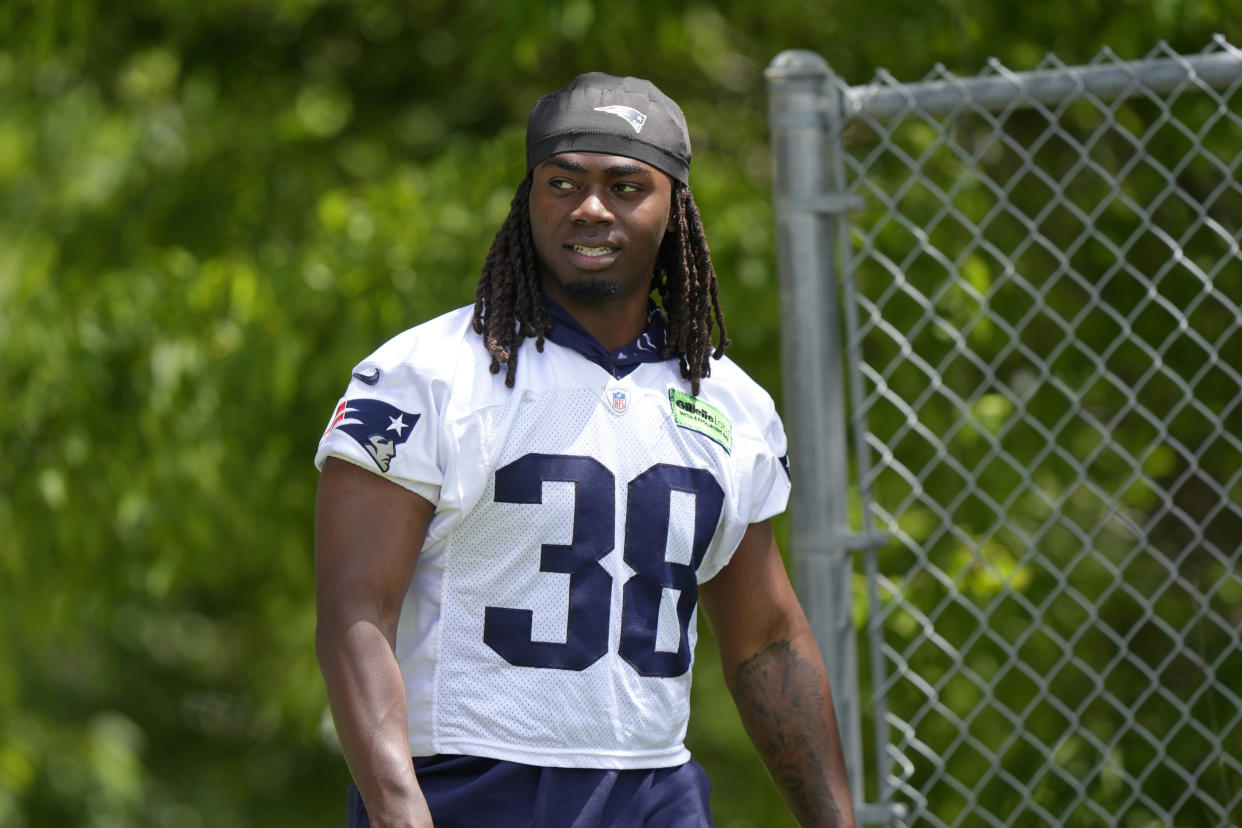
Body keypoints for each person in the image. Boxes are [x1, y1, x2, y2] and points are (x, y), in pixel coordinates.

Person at [314, 71, 855, 828]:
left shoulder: (733, 403)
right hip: (470, 787)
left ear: (675, 208)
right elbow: (356, 611)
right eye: (562, 182)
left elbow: (764, 638)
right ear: (529, 197)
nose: (590, 207)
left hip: (653, 792)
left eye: (626, 185)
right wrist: (401, 811)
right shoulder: (426, 374)